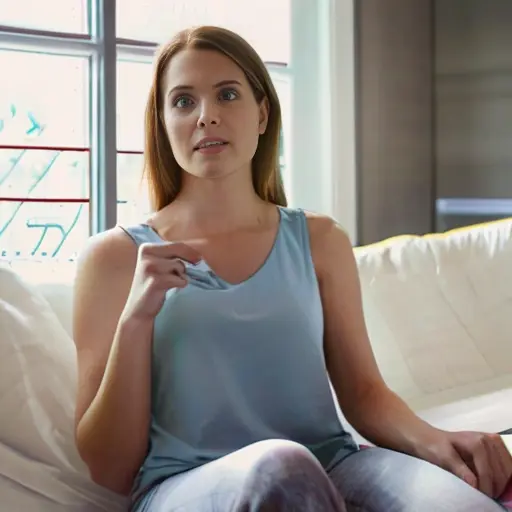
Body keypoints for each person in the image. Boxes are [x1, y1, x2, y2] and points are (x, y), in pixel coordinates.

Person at [72, 25, 512, 512]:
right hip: (186, 487)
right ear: (162, 123)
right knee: (280, 465)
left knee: (461, 505)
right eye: (183, 101)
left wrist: (435, 442)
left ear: (262, 114)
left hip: (334, 465)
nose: (206, 115)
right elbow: (109, 468)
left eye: (227, 94)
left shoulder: (320, 241)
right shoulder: (114, 259)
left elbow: (365, 393)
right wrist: (135, 319)